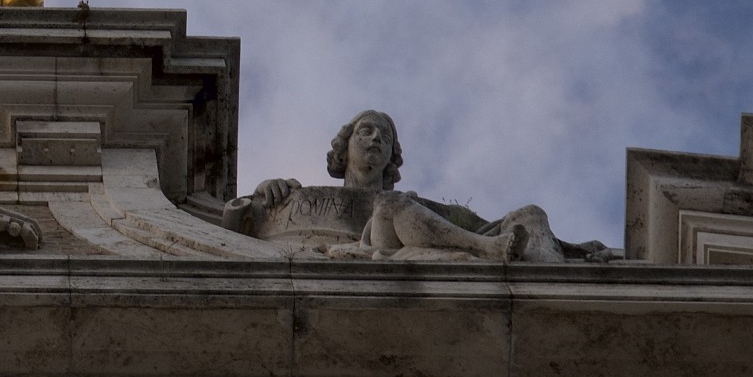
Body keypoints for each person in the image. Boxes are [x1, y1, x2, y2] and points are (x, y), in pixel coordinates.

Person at [223, 110, 616, 263]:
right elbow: (230, 229)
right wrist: (261, 192)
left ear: (393, 155)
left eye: (385, 137)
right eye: (366, 131)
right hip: (360, 251)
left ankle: (553, 282)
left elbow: (491, 225)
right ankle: (490, 256)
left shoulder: (418, 203)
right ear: (344, 147)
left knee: (532, 213)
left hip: (412, 240)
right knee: (391, 205)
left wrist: (579, 251)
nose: (375, 139)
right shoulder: (301, 196)